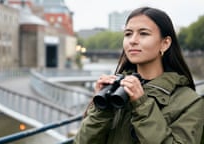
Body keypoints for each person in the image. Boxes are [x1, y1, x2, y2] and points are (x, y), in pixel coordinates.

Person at [73, 6, 204, 144]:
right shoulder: (115, 92)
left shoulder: (190, 102)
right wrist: (101, 108)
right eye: (128, 34)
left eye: (143, 34)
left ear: (165, 43)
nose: (132, 40)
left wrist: (142, 105)